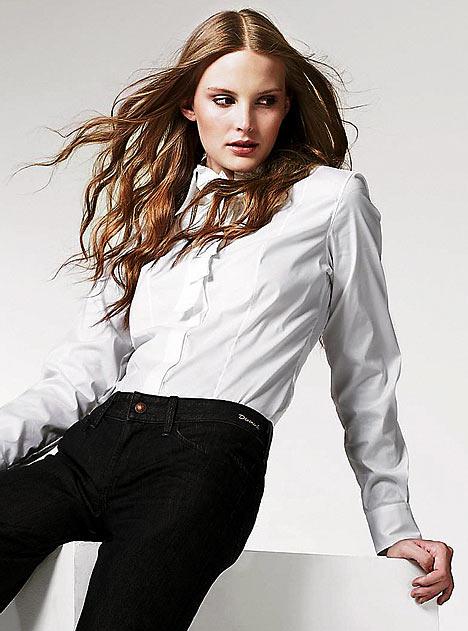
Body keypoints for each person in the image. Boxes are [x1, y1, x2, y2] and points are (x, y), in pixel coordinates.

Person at [0, 7, 453, 629]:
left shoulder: (329, 200)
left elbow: (365, 369)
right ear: (190, 105)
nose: (244, 123)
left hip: (204, 459)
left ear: (286, 107)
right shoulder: (152, 207)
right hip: (97, 442)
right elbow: (81, 373)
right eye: (223, 99)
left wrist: (393, 523)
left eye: (265, 101)